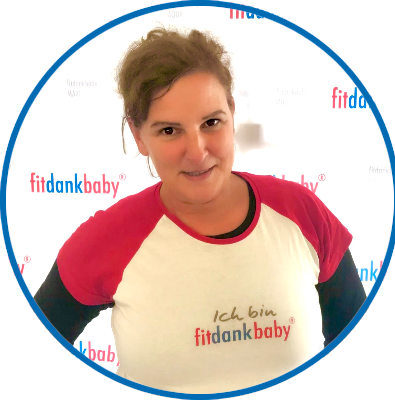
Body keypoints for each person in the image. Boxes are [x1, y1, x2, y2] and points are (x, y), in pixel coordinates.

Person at [34, 27, 366, 394]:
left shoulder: (302, 213)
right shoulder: (107, 238)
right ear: (139, 135)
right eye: (169, 130)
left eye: (211, 123)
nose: (196, 152)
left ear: (232, 114)